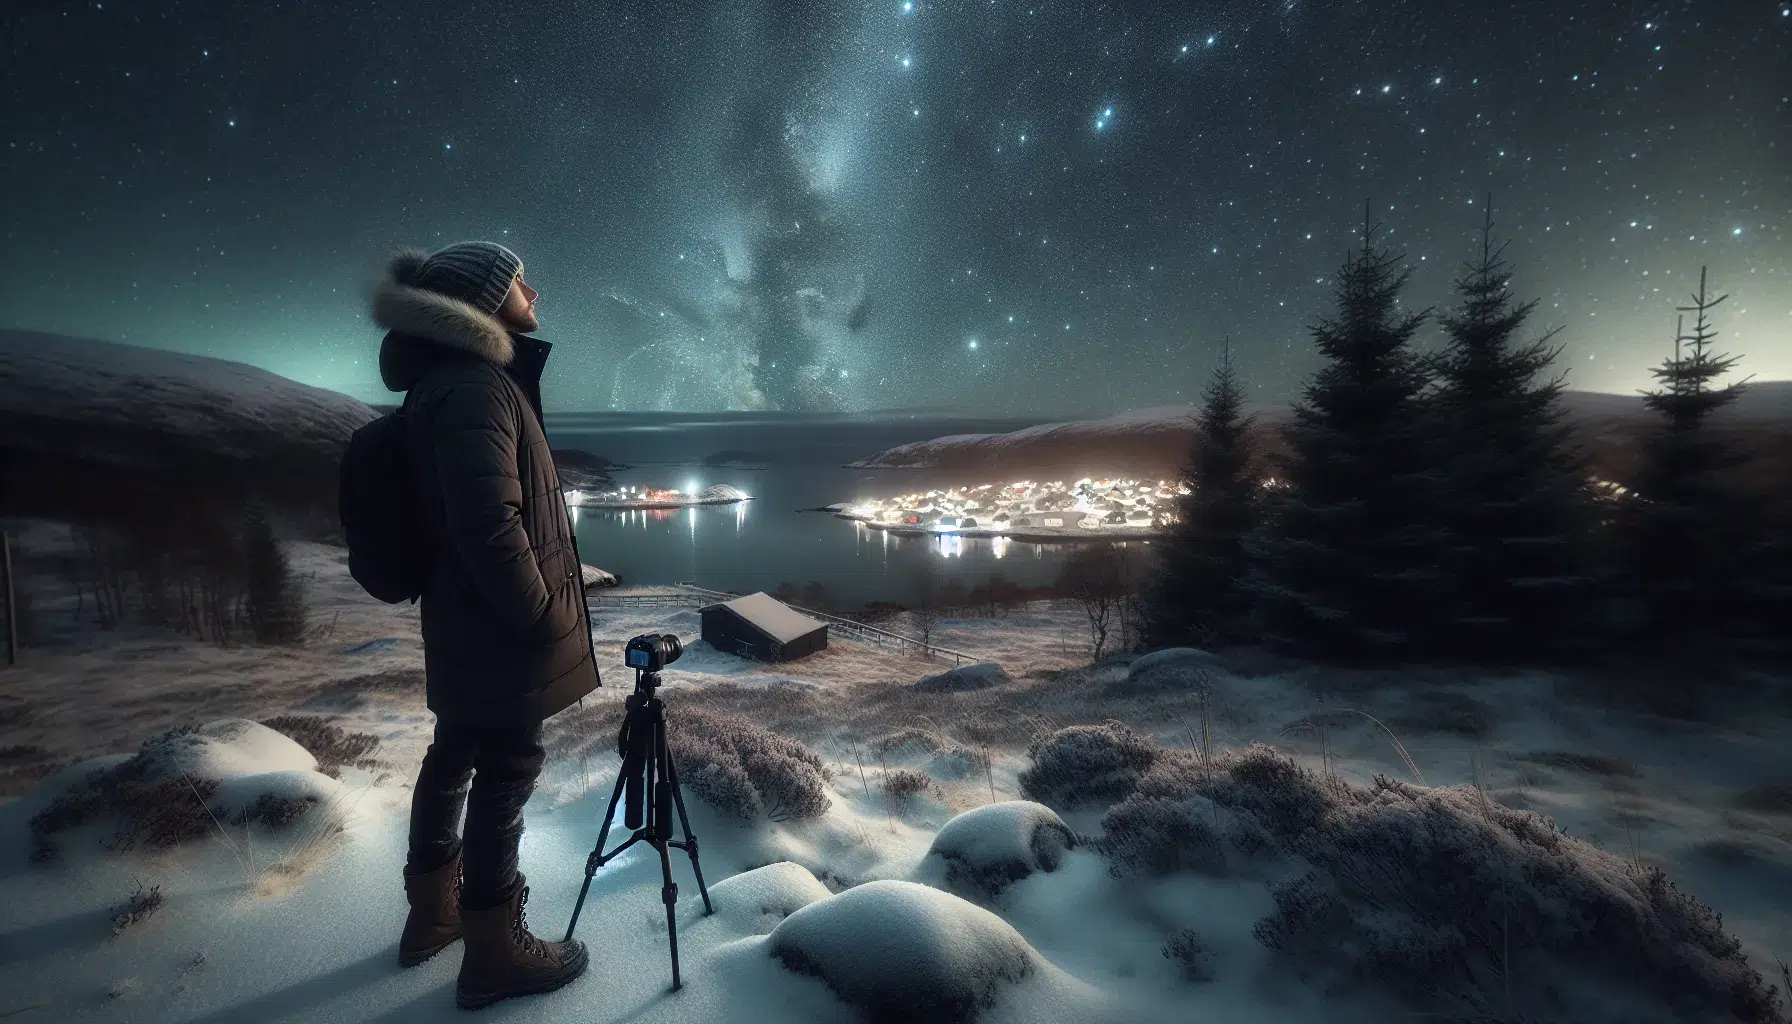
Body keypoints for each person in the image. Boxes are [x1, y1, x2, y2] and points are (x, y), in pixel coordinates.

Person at [371, 240, 600, 1010]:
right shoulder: (476, 384)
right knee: (507, 771)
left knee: (456, 753)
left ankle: (432, 917)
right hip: (497, 626)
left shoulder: (449, 381)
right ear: (483, 302)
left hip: (465, 620)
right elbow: (487, 521)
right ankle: (495, 951)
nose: (533, 288)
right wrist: (540, 615)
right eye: (516, 281)